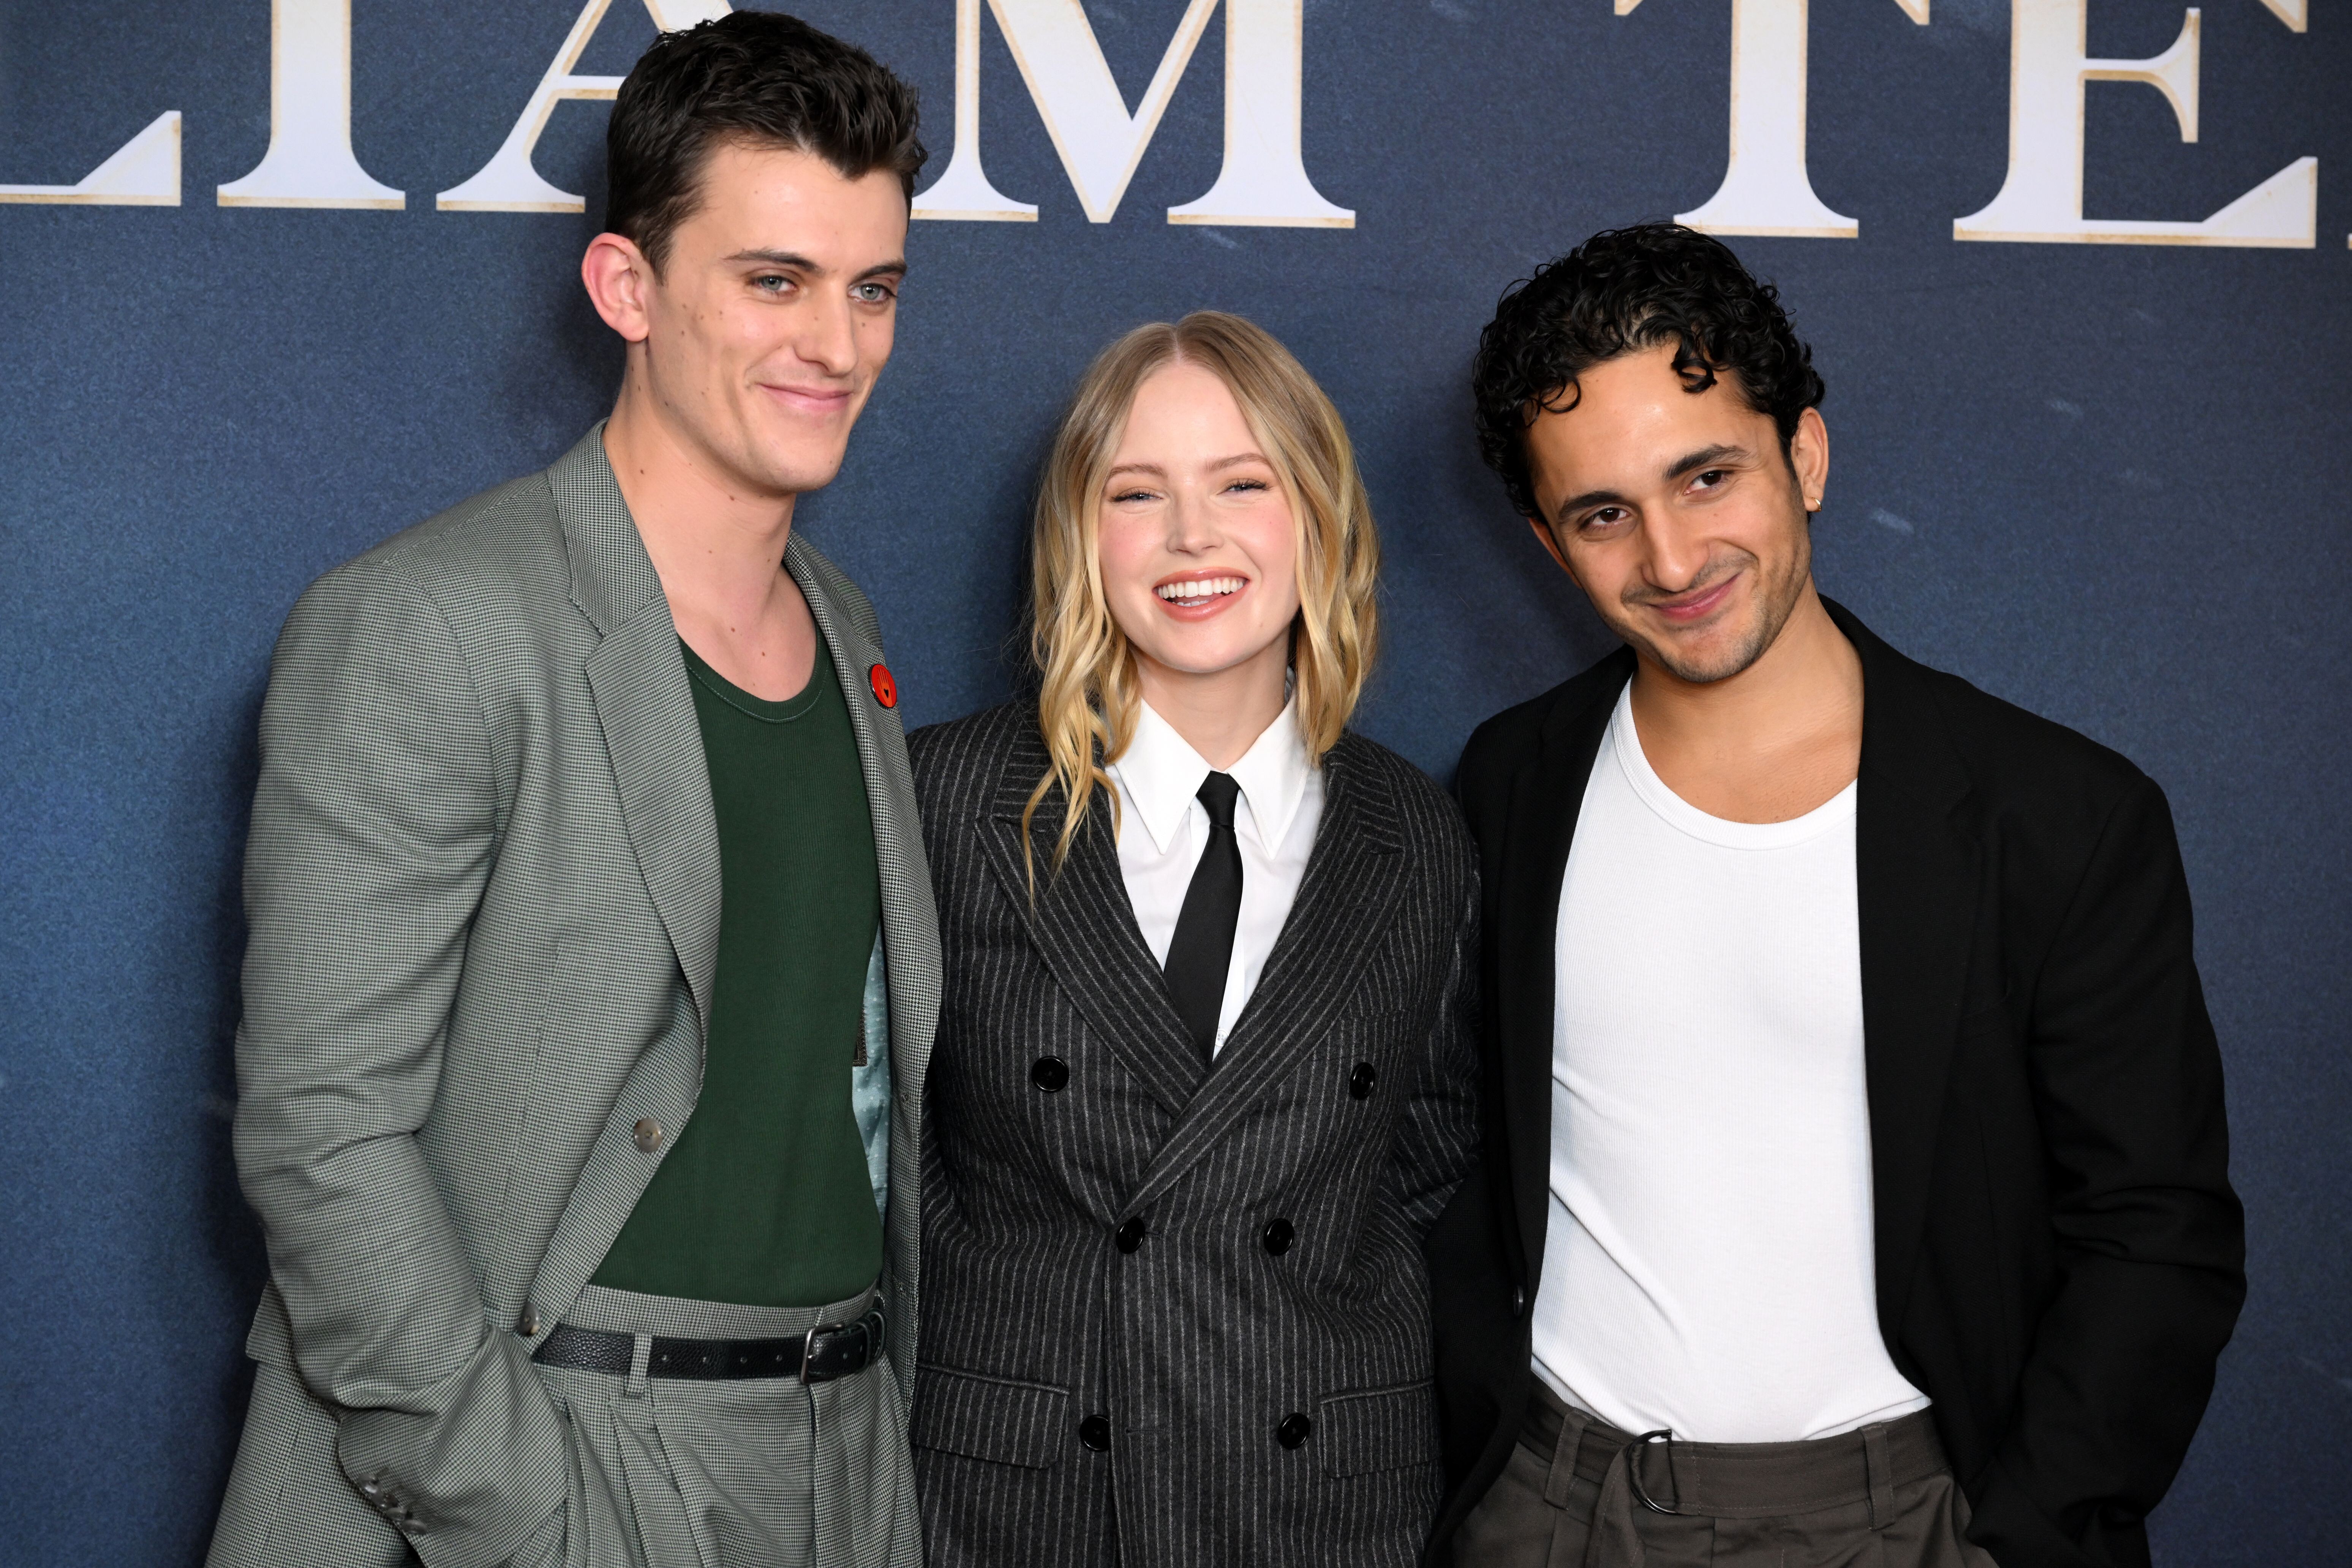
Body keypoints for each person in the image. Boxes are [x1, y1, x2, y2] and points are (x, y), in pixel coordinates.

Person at [205, 16, 937, 1568]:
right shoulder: (433, 621)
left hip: (848, 1448)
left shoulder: (850, 630)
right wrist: (525, 1510)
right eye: (776, 280)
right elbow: (324, 1132)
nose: (838, 343)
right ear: (626, 287)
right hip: (562, 1437)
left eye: (872, 288)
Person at [1426, 225, 2243, 1568]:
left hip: (1907, 1520)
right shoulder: (1515, 780)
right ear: (1549, 543)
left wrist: (2012, 1540)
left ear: (1804, 456)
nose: (1673, 559)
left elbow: (2157, 1235)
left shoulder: (2055, 816)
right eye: (1604, 514)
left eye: (1707, 477)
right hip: (1551, 1509)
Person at [905, 312, 1480, 1567]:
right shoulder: (946, 802)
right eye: (1137, 493)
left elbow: (1425, 1167)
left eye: (1241, 484)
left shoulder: (1414, 834)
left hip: (1319, 1505)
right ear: (1080, 535)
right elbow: (871, 1158)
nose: (1191, 537)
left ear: (1318, 515)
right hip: (1023, 1505)